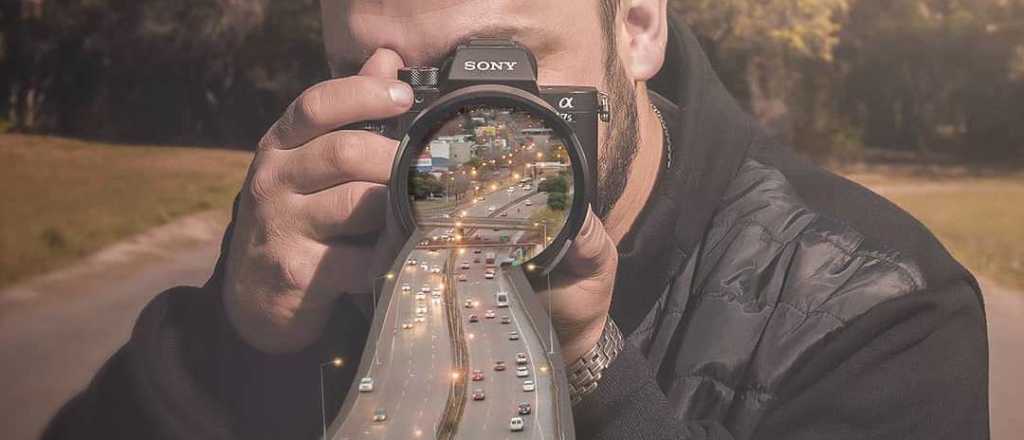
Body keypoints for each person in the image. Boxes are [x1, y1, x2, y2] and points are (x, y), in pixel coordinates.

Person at [43, 0, 989, 439]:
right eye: (394, 81)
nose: (451, 128)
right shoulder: (335, 245)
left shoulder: (878, 308)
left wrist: (593, 369)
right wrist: (231, 347)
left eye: (501, 65)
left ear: (639, 26)